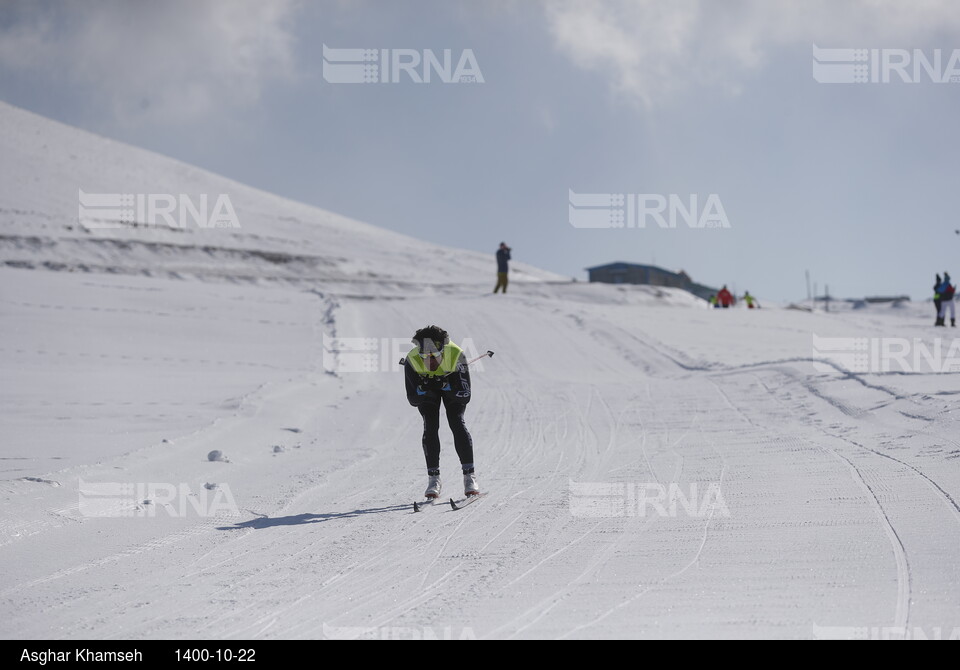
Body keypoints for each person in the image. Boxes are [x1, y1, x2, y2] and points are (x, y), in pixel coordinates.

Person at [404, 325, 480, 498]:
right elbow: (412, 399)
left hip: (451, 385)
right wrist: (423, 389)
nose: (430, 362)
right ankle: (434, 480)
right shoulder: (412, 359)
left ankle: (470, 477)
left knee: (456, 422)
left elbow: (465, 396)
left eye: (435, 356)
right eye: (425, 356)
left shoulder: (455, 354)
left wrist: (446, 385)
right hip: (429, 389)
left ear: (443, 350)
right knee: (430, 425)